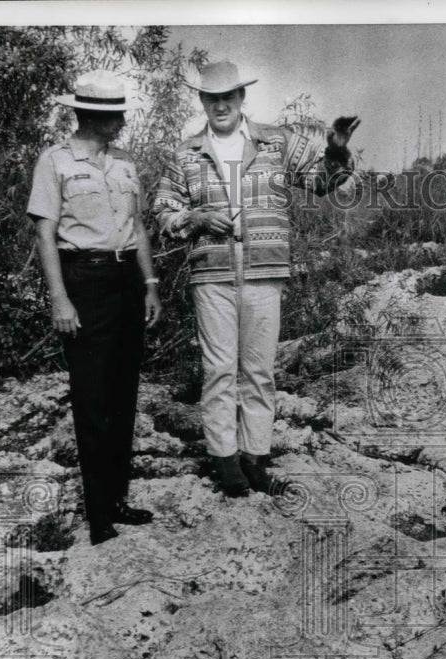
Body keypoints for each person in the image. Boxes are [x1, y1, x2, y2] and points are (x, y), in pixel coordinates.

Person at [153, 61, 358, 497]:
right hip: (211, 276)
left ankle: (256, 457)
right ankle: (225, 462)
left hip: (265, 271)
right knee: (219, 370)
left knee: (260, 370)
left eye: (229, 96)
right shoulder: (186, 153)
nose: (221, 104)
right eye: (212, 98)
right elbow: (162, 211)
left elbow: (324, 184)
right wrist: (195, 216)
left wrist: (337, 150)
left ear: (242, 98)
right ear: (203, 102)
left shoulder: (276, 142)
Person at [27, 70, 162, 545]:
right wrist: (59, 297)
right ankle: (98, 514)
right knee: (92, 397)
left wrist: (149, 284)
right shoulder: (55, 161)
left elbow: (139, 226)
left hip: (127, 278)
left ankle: (118, 500)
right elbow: (45, 233)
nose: (122, 121)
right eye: (115, 114)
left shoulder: (124, 162)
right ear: (92, 115)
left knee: (124, 394)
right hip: (84, 280)